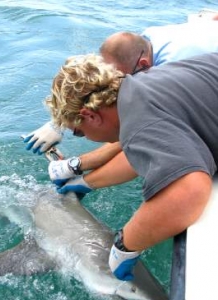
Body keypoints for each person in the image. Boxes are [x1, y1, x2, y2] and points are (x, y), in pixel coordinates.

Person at [44, 52, 218, 281]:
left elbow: (189, 190)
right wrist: (86, 181)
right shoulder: (146, 84)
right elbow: (149, 149)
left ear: (90, 115)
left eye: (78, 131)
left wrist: (125, 245)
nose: (84, 137)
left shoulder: (139, 122)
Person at [23, 17, 218, 154]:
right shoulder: (144, 40)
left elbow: (144, 127)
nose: (114, 87)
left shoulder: (173, 69)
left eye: (121, 81)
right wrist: (60, 122)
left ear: (143, 65)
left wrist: (78, 167)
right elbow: (94, 76)